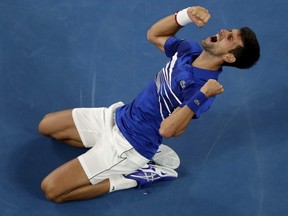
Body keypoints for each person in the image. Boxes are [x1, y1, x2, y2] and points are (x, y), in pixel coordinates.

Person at [39, 6, 260, 203]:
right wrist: (184, 15)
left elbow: (168, 129)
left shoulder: (203, 88)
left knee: (52, 189)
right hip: (119, 116)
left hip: (130, 145)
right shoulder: (189, 51)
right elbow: (154, 34)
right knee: (47, 126)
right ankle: (107, 156)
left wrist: (201, 95)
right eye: (228, 30)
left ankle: (130, 177)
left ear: (230, 58)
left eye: (229, 38)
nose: (223, 31)